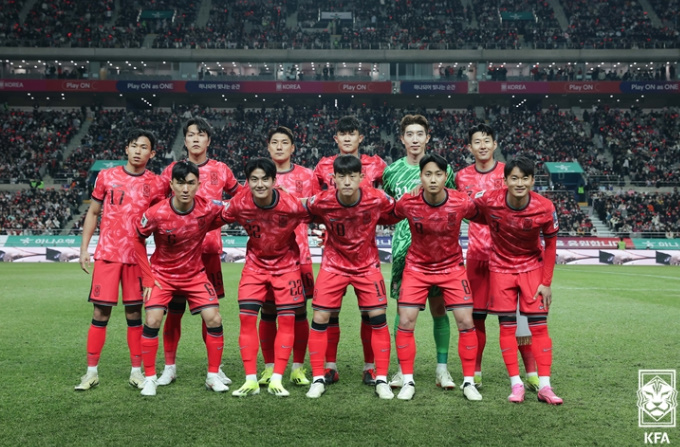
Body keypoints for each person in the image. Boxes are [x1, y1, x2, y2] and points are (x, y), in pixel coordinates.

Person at [75, 129, 164, 391]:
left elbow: (160, 220)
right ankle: (91, 373)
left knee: (134, 313)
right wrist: (84, 249)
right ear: (126, 149)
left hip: (136, 258)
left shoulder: (156, 183)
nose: (138, 151)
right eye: (134, 145)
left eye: (144, 147)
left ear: (152, 153)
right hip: (108, 255)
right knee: (100, 312)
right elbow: (93, 212)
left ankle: (136, 372)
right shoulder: (106, 176)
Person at [156, 117, 242, 387]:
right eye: (191, 135)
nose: (195, 139)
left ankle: (214, 369)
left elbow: (240, 198)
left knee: (210, 312)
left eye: (201, 134)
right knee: (174, 312)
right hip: (177, 256)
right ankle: (169, 367)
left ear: (209, 140)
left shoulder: (221, 169)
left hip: (209, 252)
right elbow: (157, 203)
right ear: (185, 140)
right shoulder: (172, 170)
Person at [472, 155, 563, 405]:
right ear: (505, 181)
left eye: (525, 178)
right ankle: (516, 384)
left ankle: (545, 386)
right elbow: (463, 205)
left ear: (532, 181)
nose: (519, 183)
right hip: (500, 269)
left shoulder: (545, 207)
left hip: (532, 268)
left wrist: (546, 282)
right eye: (514, 178)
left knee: (540, 327)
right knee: (507, 327)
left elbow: (551, 245)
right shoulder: (490, 200)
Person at [305, 155, 397, 399]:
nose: (347, 181)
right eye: (342, 177)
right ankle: (318, 377)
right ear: (333, 178)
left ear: (361, 178)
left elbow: (400, 210)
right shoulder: (322, 200)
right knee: (320, 317)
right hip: (333, 265)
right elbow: (298, 207)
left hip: (367, 266)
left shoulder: (377, 198)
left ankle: (381, 378)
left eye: (352, 176)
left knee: (377, 317)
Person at [133, 161, 228, 396]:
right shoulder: (156, 213)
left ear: (199, 184)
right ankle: (150, 378)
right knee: (153, 320)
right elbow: (137, 238)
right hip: (162, 275)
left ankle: (213, 376)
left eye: (191, 183)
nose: (185, 189)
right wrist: (147, 277)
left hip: (194, 275)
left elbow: (235, 208)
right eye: (180, 183)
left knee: (214, 318)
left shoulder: (207, 207)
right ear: (172, 184)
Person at [392, 153, 482, 401]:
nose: (433, 179)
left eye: (438, 174)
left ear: (446, 177)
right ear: (420, 177)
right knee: (405, 321)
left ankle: (468, 382)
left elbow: (484, 214)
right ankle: (408, 380)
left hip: (452, 268)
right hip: (417, 268)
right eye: (428, 174)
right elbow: (387, 214)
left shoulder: (461, 202)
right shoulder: (408, 202)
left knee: (466, 321)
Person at [455, 123, 538, 391]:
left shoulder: (510, 173)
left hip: (510, 259)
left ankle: (531, 373)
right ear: (469, 147)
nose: (482, 146)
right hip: (477, 257)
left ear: (495, 144)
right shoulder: (460, 177)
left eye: (486, 141)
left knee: (519, 320)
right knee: (476, 318)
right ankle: (476, 371)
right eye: (476, 142)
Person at [224, 158, 311, 398]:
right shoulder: (239, 203)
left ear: (274, 181)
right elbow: (213, 215)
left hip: (287, 267)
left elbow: (321, 211)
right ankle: (251, 379)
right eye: (254, 179)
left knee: (288, 320)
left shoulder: (291, 204)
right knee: (246, 318)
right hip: (255, 267)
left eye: (265, 179)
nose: (259, 184)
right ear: (247, 182)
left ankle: (278, 379)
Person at [382, 114, 457, 391]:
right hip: (403, 250)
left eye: (420, 134)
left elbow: (454, 203)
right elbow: (391, 209)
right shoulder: (391, 172)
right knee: (403, 311)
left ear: (427, 137)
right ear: (402, 139)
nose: (415, 140)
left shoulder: (444, 170)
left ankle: (442, 370)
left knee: (439, 308)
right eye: (410, 134)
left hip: (437, 251)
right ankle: (402, 370)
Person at [312, 116, 387, 386]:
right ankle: (329, 366)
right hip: (335, 252)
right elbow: (315, 203)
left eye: (351, 133)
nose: (346, 138)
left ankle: (370, 367)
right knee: (329, 312)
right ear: (336, 138)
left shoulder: (377, 165)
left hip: (366, 251)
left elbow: (387, 202)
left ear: (360, 138)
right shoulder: (322, 166)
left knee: (371, 313)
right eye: (342, 134)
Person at [257, 127, 319, 388]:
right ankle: (269, 367)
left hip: (299, 254)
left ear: (293, 148)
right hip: (265, 257)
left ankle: (297, 367)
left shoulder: (307, 175)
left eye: (285, 142)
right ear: (268, 147)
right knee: (268, 310)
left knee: (299, 310)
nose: (280, 146)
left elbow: (316, 209)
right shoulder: (259, 175)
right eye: (275, 142)